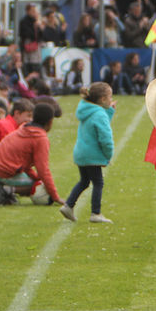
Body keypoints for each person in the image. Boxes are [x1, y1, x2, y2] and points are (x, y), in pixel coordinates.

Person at [0, 102, 63, 207]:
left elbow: (25, 164)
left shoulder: (24, 128)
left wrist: (36, 177)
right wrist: (55, 196)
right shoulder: (40, 138)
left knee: (36, 180)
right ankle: (5, 190)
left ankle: (4, 192)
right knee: (35, 185)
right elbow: (43, 170)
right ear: (50, 122)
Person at [60, 83, 115, 224]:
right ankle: (95, 213)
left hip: (81, 154)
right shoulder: (99, 113)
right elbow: (105, 138)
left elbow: (100, 121)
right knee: (98, 183)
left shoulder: (87, 110)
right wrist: (108, 155)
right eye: (110, 97)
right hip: (93, 155)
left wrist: (109, 111)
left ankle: (68, 206)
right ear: (103, 99)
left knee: (84, 181)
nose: (111, 99)